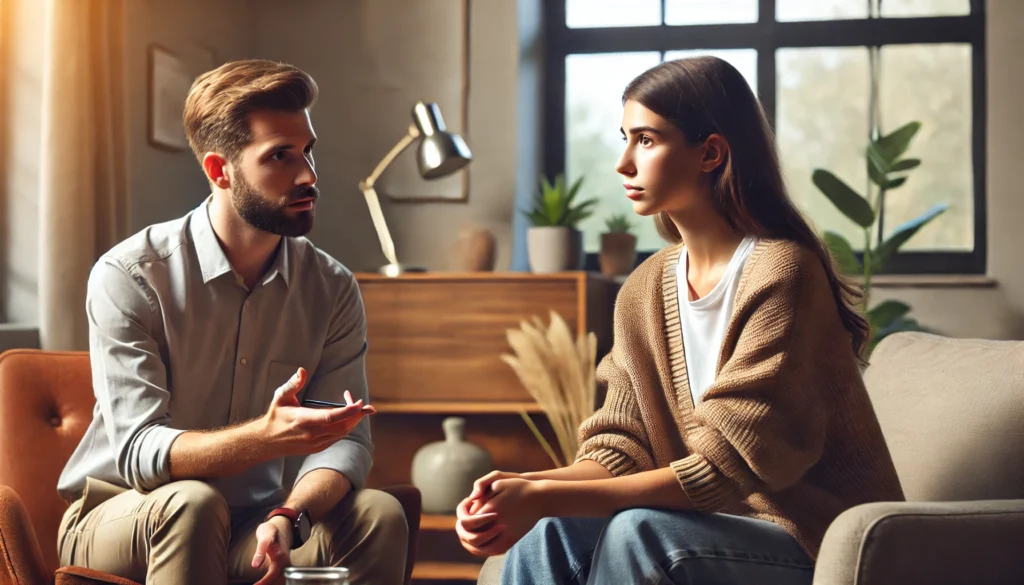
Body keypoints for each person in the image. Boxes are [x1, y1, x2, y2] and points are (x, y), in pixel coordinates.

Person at [456, 56, 905, 585]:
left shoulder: (783, 273)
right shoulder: (645, 287)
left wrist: (544, 492)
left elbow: (725, 466)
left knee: (638, 533)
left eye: (646, 140)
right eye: (624, 138)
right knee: (552, 529)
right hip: (702, 530)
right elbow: (621, 446)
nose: (623, 163)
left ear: (710, 152)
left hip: (813, 539)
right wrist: (525, 489)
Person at [56, 59, 408, 585]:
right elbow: (138, 452)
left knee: (378, 514)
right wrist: (265, 438)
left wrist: (290, 515)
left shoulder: (331, 287)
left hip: (250, 523)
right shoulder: (130, 275)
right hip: (123, 514)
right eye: (280, 157)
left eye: (308, 151)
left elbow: (347, 440)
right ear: (220, 171)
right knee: (193, 505)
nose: (308, 175)